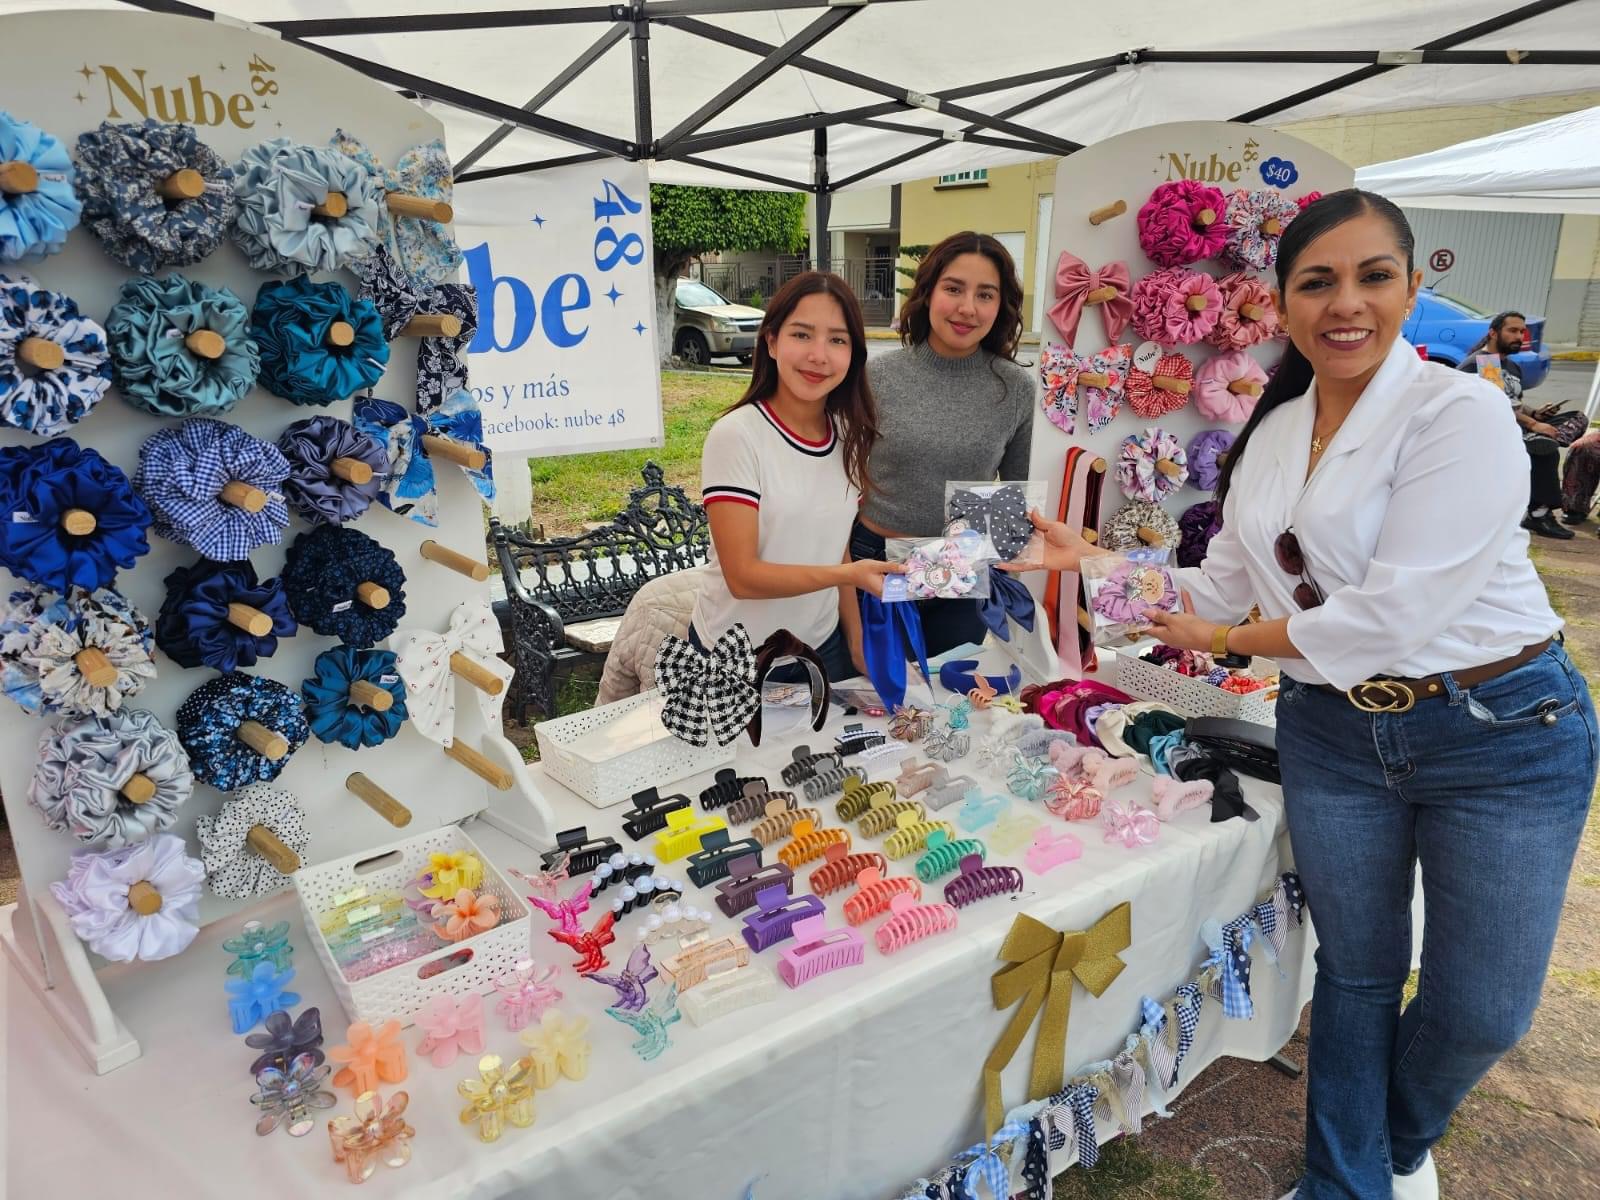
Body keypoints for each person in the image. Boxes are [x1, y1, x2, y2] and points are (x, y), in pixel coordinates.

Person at [1012, 190, 1597, 1200]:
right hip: (1331, 731)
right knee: (1359, 974)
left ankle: (1389, 1148)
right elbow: (1214, 586)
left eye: (1374, 275)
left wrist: (1225, 639)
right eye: (1315, 281)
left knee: (1481, 1010)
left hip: (1495, 733)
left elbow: (1388, 620)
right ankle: (1342, 1183)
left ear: (1414, 287)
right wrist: (1091, 562)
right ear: (1279, 303)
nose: (1345, 303)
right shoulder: (1273, 433)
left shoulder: (1460, 415)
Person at [689, 271, 900, 682]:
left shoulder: (847, 435)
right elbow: (743, 576)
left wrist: (856, 642)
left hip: (821, 649)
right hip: (736, 661)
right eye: (802, 335)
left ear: (854, 354)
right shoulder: (737, 436)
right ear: (771, 341)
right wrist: (849, 575)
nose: (819, 355)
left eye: (837, 340)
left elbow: (835, 542)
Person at [849, 231, 1033, 662]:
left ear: (1000, 306)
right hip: (880, 565)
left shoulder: (1017, 389)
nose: (968, 307)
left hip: (961, 573)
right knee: (880, 697)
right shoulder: (878, 378)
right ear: (928, 292)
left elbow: (1018, 496)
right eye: (953, 289)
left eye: (985, 294)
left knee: (949, 700)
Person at [1458, 311, 1574, 539]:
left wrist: (1537, 413)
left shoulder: (1510, 366)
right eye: (1512, 330)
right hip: (1488, 431)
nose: (1519, 336)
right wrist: (1533, 424)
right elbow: (1499, 404)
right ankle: (1539, 514)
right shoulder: (1484, 362)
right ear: (1493, 332)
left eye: (1522, 332)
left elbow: (1513, 401)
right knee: (1547, 451)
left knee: (1576, 418)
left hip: (1513, 425)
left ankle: (1543, 439)